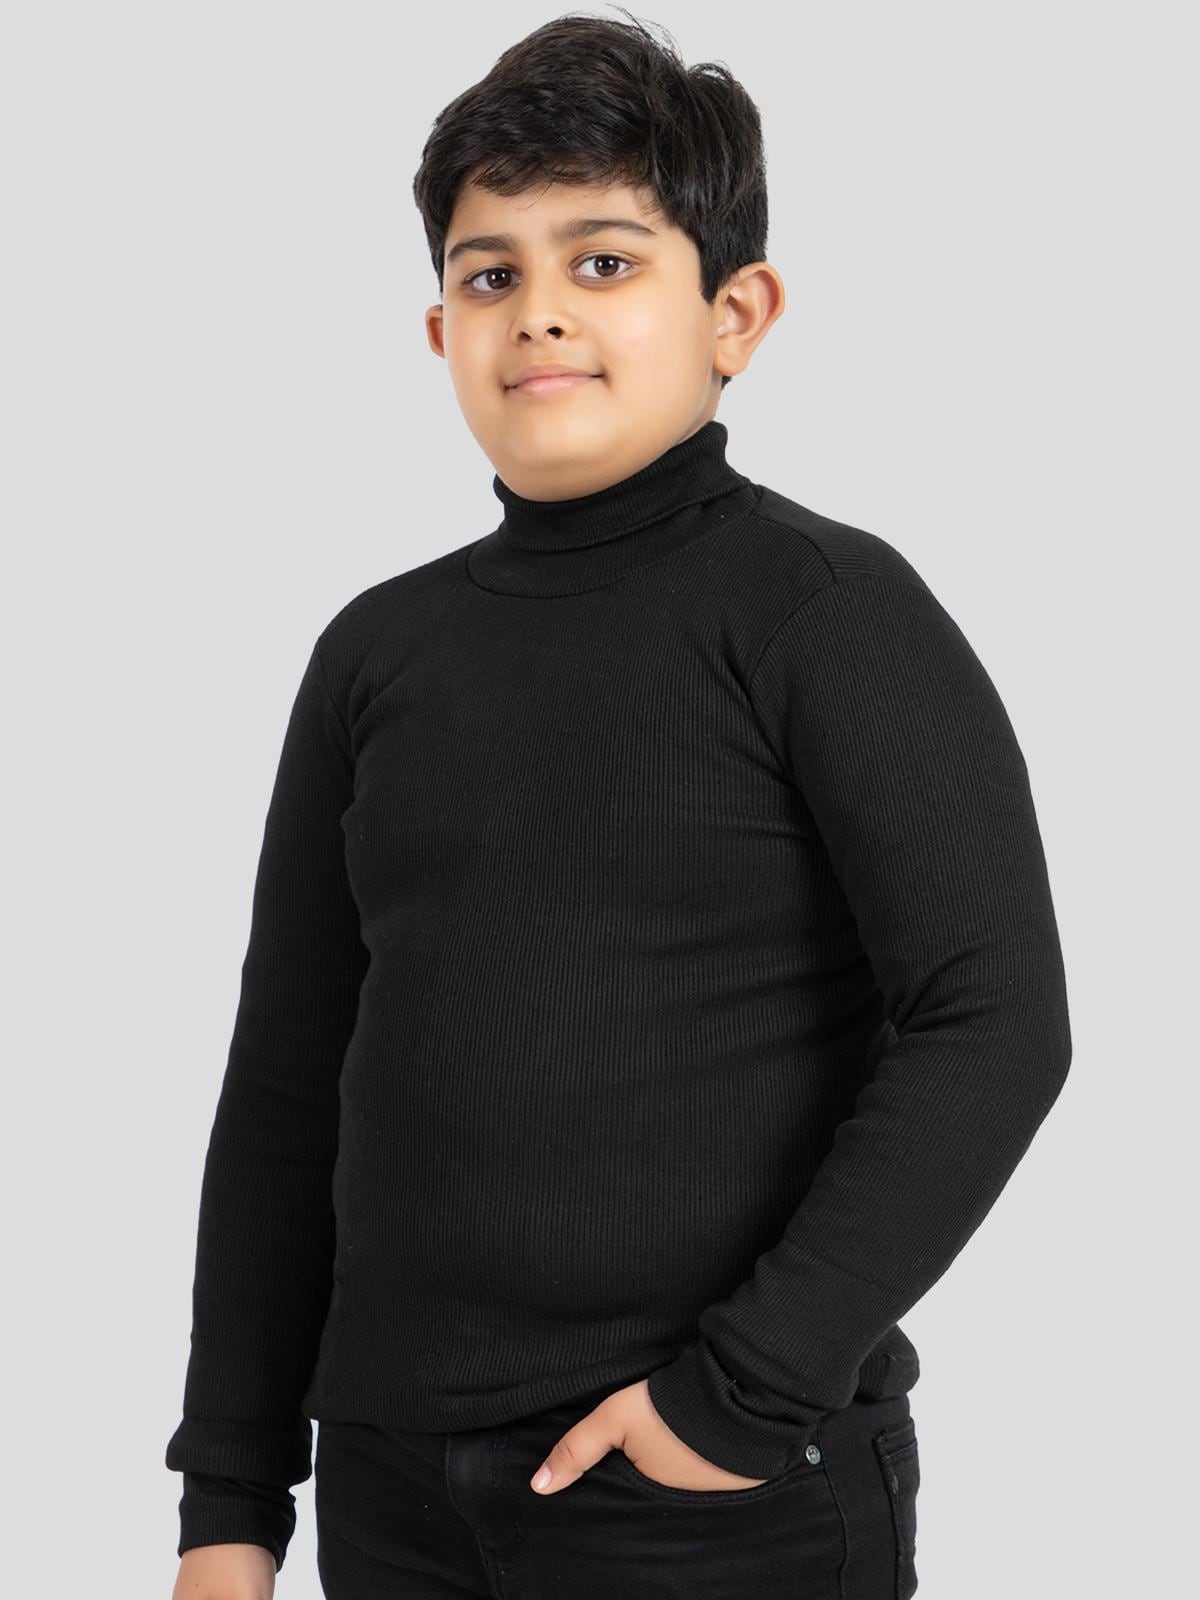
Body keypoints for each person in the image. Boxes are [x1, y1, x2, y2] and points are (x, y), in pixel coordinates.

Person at [165, 11, 1072, 1598]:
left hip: (703, 1492)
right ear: (437, 328)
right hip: (393, 1487)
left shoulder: (824, 611)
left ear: (736, 313)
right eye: (489, 274)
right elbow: (290, 1080)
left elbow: (995, 1021)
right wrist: (231, 1496)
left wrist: (742, 1396)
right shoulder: (377, 653)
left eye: (602, 262)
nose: (539, 312)